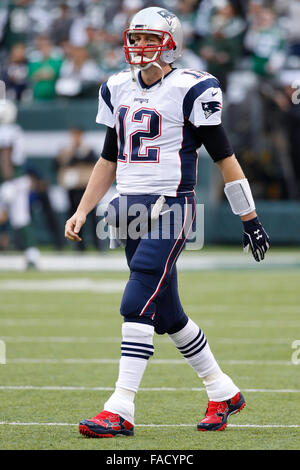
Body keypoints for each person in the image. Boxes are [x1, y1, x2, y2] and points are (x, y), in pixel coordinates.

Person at [65, 6, 270, 437]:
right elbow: (108, 158)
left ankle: (120, 407)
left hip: (173, 205)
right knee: (167, 314)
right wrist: (83, 209)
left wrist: (248, 218)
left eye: (149, 38)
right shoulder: (117, 86)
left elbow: (225, 158)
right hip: (130, 207)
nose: (139, 47)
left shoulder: (192, 88)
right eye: (134, 38)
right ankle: (223, 390)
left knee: (136, 296)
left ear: (171, 43)